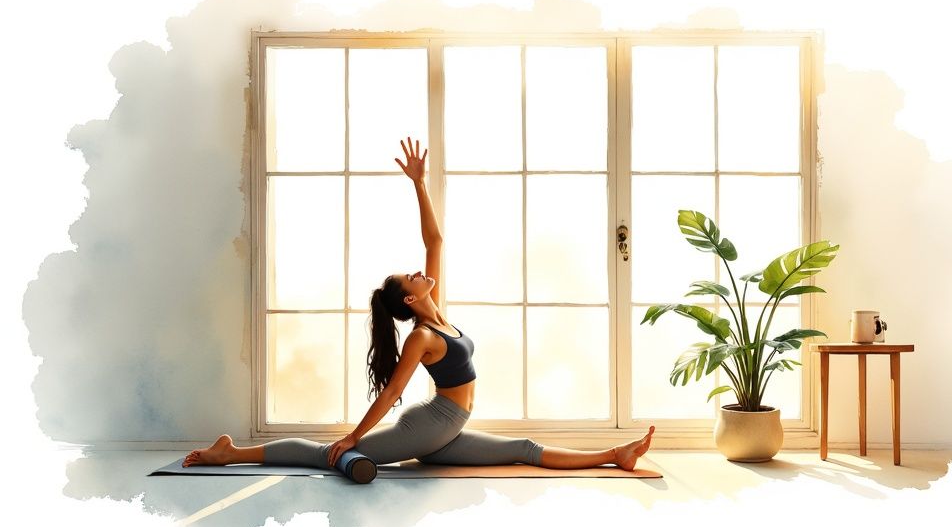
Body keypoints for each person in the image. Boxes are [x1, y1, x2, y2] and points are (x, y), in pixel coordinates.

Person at [183, 137, 655, 472]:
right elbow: (390, 393)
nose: (419, 269)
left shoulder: (438, 312)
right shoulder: (423, 336)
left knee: (524, 447)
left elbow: (435, 239)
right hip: (430, 427)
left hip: (446, 426)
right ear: (411, 297)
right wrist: (353, 438)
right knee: (326, 454)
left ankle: (617, 454)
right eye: (411, 275)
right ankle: (231, 453)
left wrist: (418, 183)